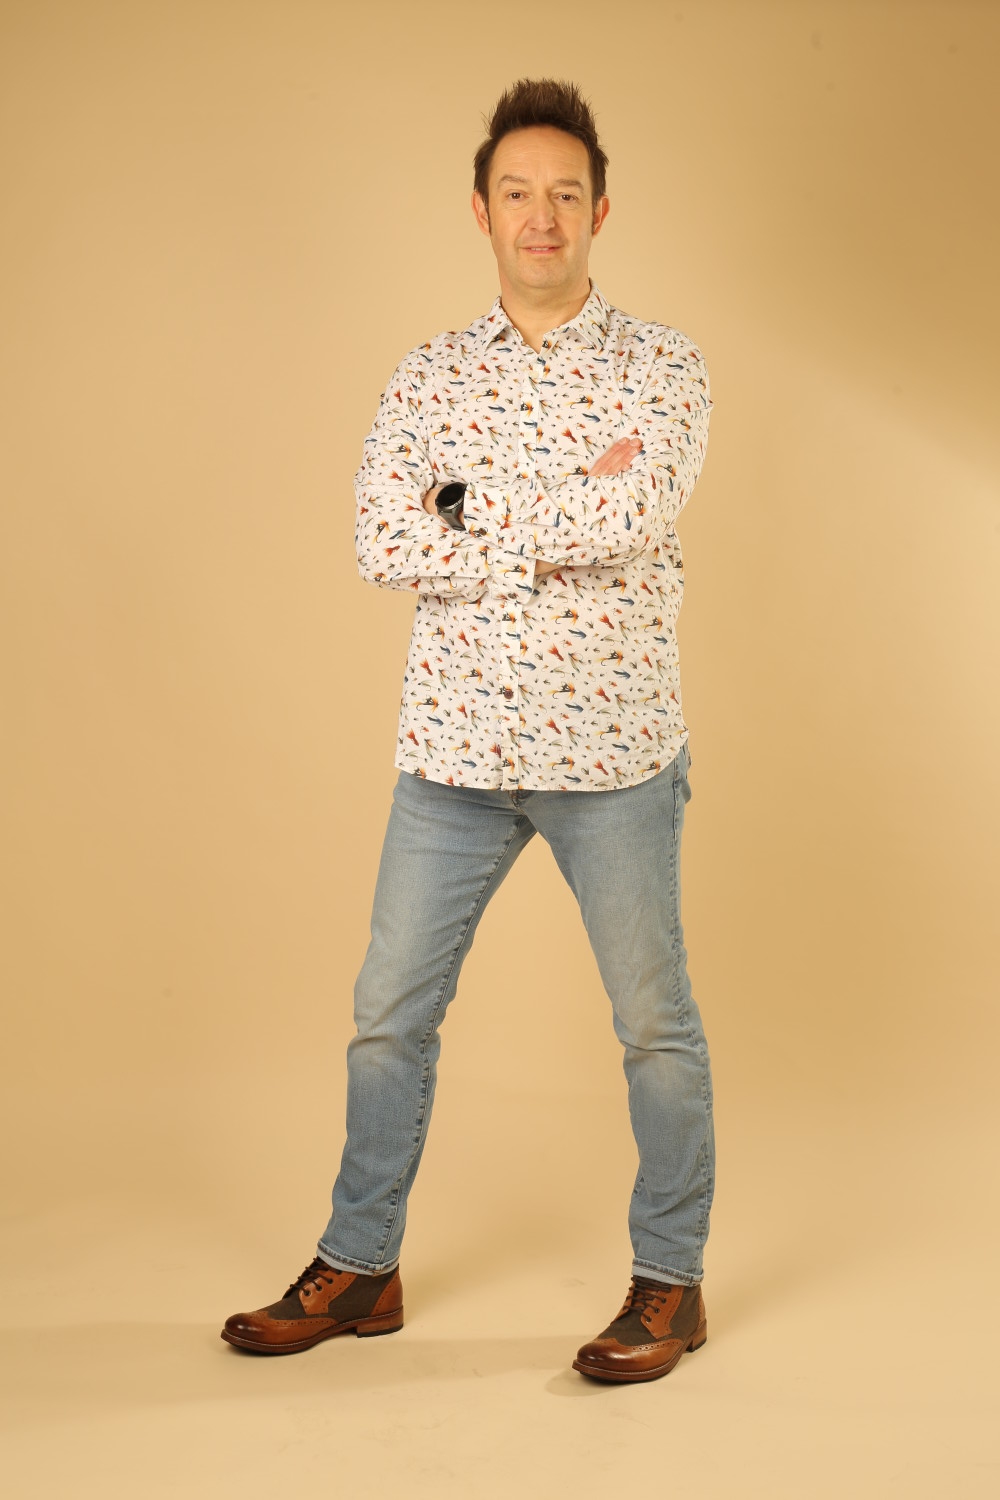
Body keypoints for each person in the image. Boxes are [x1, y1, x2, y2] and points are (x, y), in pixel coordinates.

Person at [222, 76, 715, 1384]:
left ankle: (670, 1281)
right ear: (482, 212)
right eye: (517, 192)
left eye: (565, 193)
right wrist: (544, 518)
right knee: (388, 1015)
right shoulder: (428, 374)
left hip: (614, 755)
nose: (541, 215)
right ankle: (360, 1266)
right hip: (454, 754)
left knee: (653, 1025)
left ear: (599, 210)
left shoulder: (664, 366)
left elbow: (633, 515)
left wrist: (465, 502)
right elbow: (380, 540)